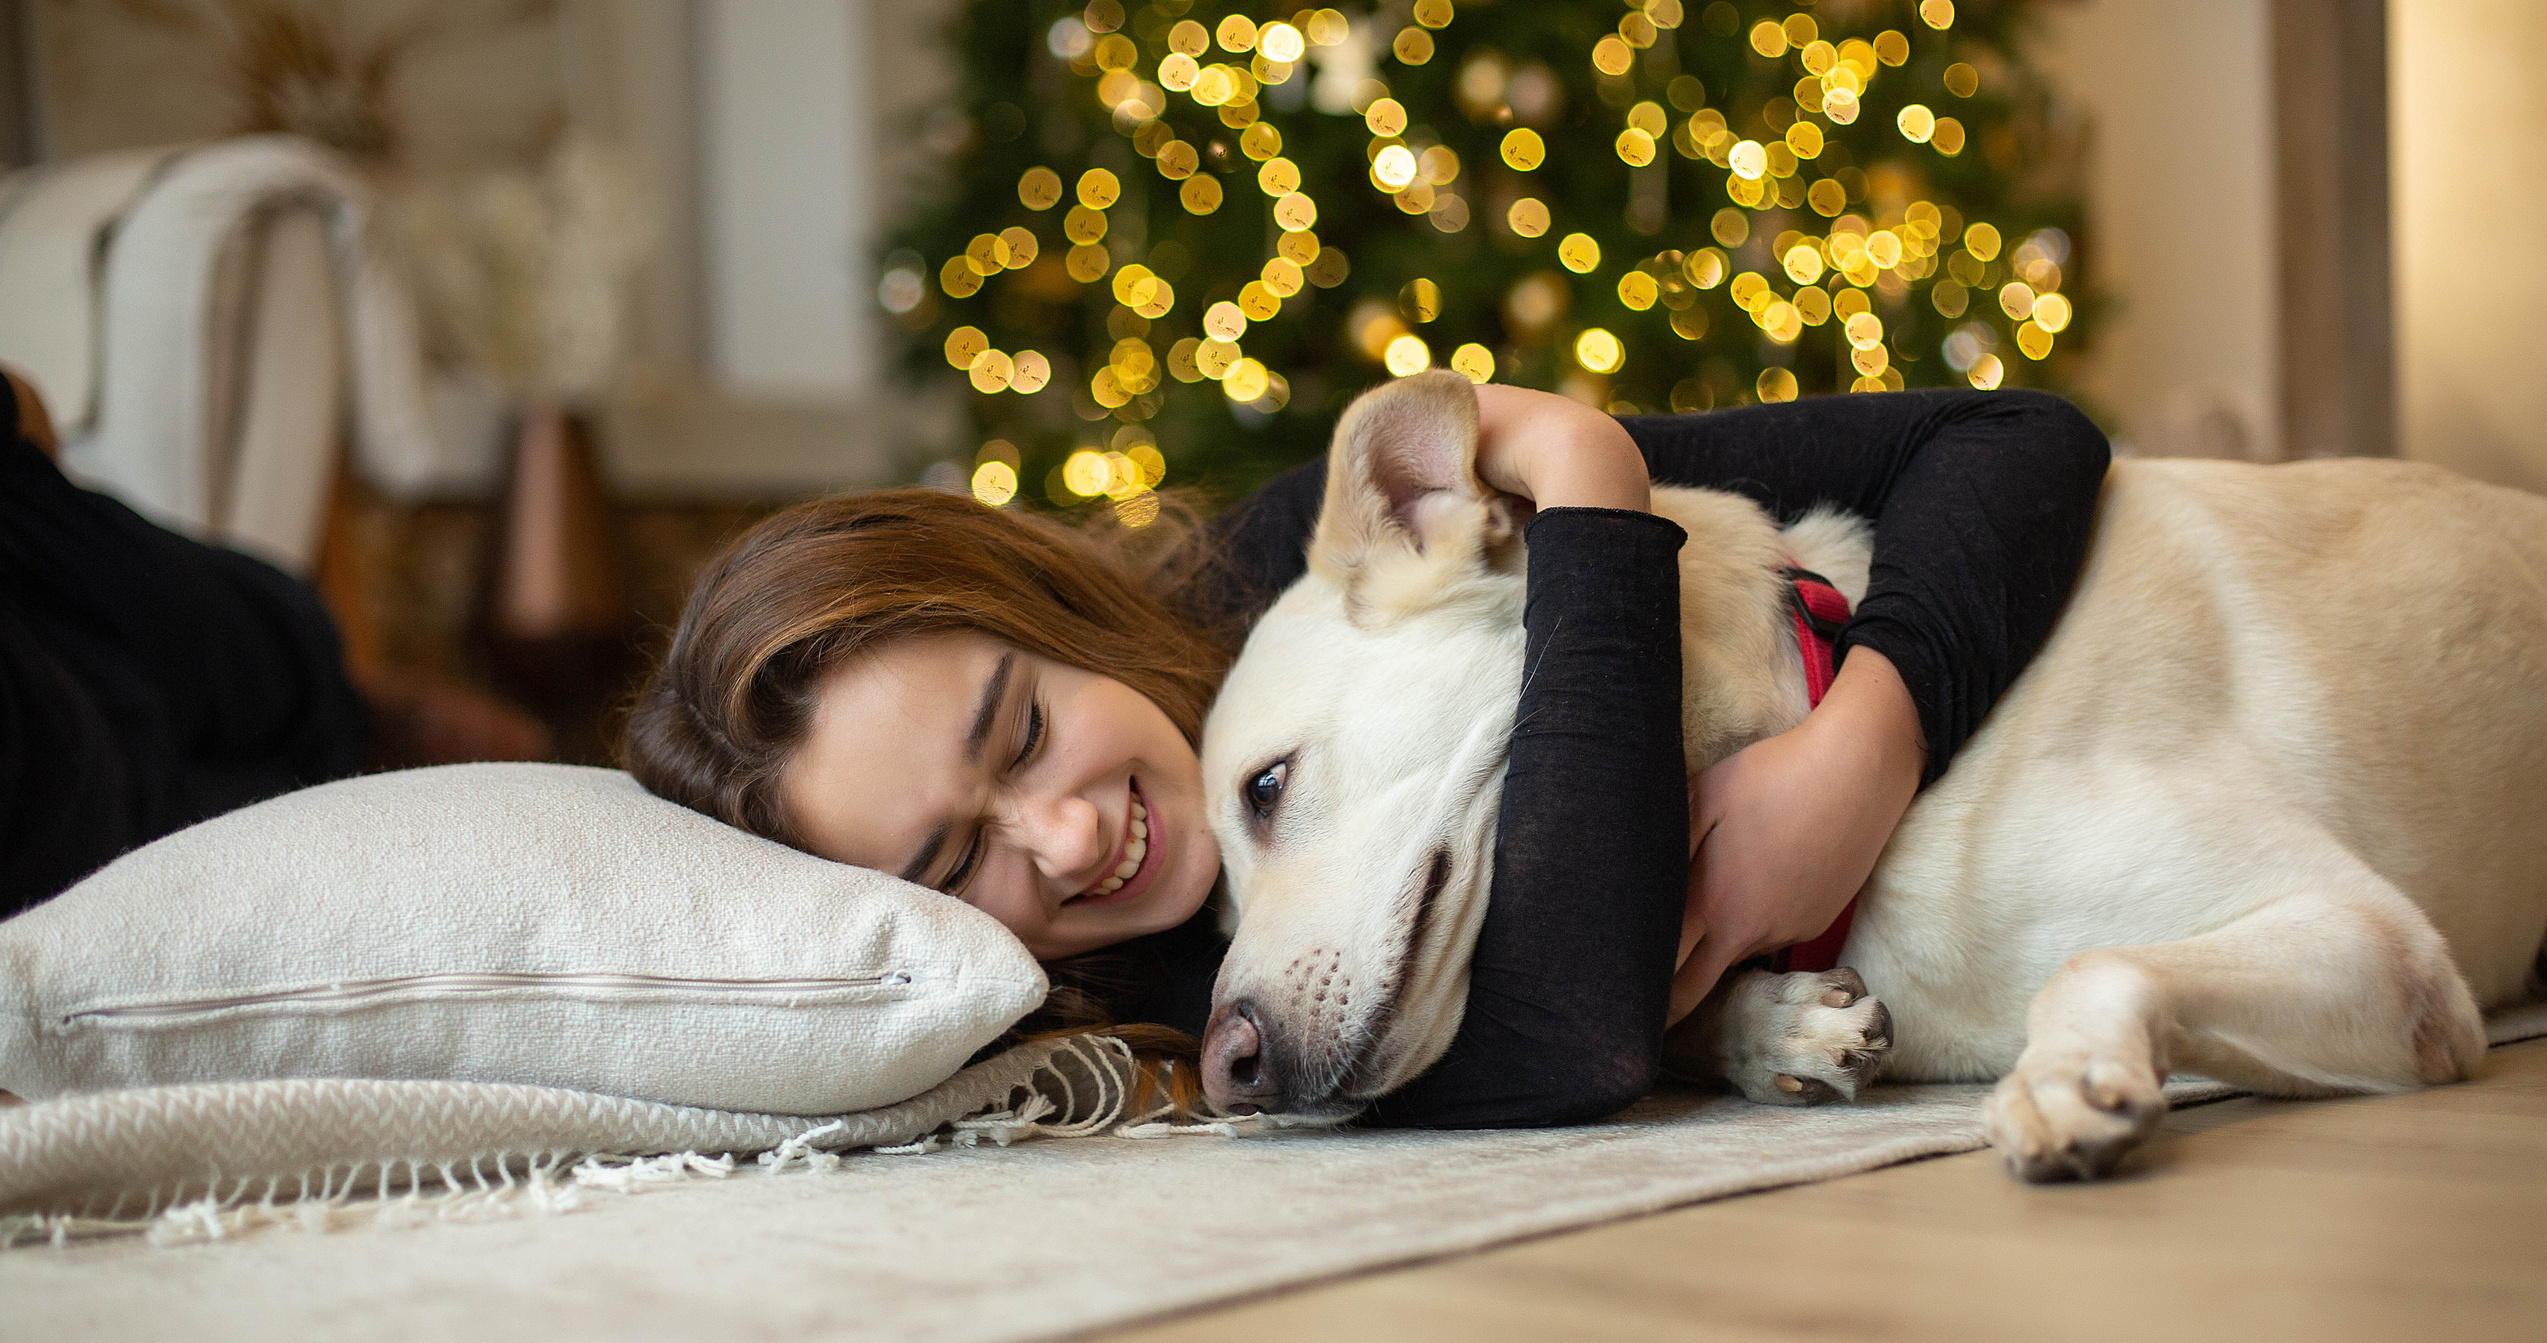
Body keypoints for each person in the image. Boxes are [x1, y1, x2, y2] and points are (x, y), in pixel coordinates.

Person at [625, 382, 2111, 1127]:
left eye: (1022, 730)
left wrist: (1865, 742)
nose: (1068, 840)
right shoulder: (1102, 1010)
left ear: (1058, 611)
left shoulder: (1304, 562)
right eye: (959, 861)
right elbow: (1575, 1019)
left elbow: (2019, 442)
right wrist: (1590, 470)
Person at [0, 368, 548, 919]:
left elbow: (27, 410)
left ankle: (360, 718)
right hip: (68, 809)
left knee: (280, 639)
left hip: (47, 582)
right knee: (243, 827)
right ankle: (359, 747)